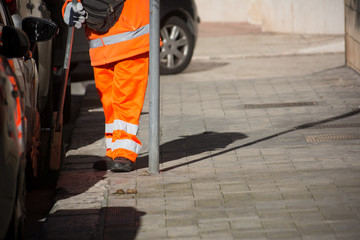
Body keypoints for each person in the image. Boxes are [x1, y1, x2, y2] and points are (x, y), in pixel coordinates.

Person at [62, 0, 150, 172]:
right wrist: (68, 6)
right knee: (109, 103)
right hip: (100, 44)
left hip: (131, 40)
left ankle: (124, 152)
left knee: (125, 100)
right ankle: (113, 150)